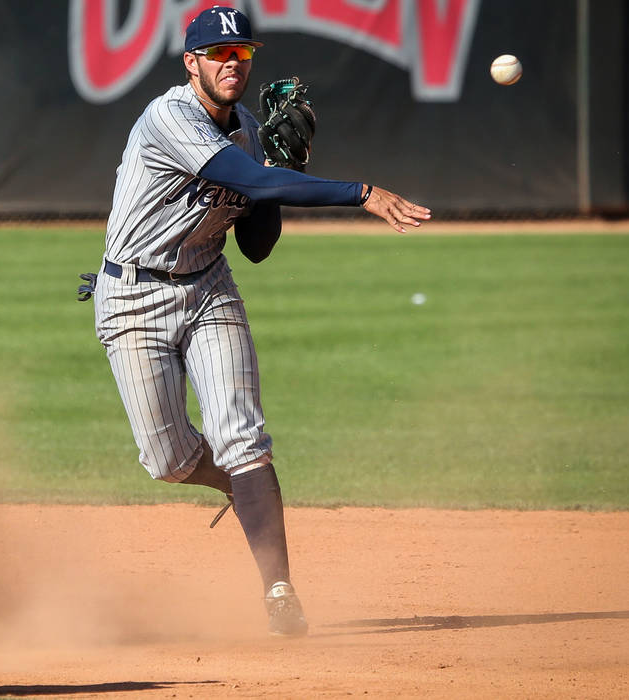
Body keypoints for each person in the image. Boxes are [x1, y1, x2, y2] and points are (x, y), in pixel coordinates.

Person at [87, 6, 430, 636]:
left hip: (209, 288)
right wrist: (358, 192)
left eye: (241, 54)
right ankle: (237, 488)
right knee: (165, 459)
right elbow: (243, 177)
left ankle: (279, 590)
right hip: (133, 296)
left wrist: (285, 171)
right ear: (191, 62)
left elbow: (256, 245)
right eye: (218, 54)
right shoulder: (169, 117)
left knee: (243, 436)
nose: (231, 64)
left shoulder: (246, 127)